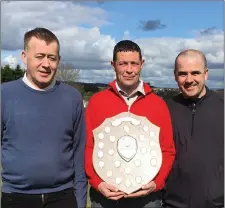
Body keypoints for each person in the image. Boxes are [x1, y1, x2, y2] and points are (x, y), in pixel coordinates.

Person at [1, 27, 87, 208]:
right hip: (16, 197)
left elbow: (79, 153)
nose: (46, 64)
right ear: (24, 57)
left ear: (59, 60)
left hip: (63, 197)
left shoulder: (72, 98)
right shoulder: (5, 95)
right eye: (39, 56)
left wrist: (79, 200)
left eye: (52, 58)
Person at [85, 40, 175, 208]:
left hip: (147, 198)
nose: (129, 70)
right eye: (122, 63)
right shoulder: (97, 102)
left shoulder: (158, 104)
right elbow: (88, 146)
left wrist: (157, 182)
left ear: (142, 64)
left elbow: (167, 149)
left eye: (134, 63)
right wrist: (97, 183)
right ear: (113, 65)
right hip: (105, 197)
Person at [162, 49, 224, 208]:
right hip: (172, 204)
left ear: (206, 73)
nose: (189, 80)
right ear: (175, 75)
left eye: (195, 73)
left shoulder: (222, 106)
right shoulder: (165, 110)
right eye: (183, 74)